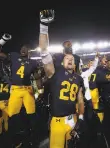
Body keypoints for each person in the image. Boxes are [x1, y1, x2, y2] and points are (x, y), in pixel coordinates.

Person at [39, 9, 85, 148]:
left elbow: (80, 99)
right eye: (67, 58)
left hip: (73, 119)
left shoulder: (78, 78)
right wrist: (43, 26)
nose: (70, 60)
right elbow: (43, 51)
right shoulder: (54, 72)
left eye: (72, 59)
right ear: (62, 61)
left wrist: (81, 119)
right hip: (58, 121)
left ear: (75, 63)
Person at [0, 30, 43, 147]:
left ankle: (33, 139)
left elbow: (38, 77)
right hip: (15, 89)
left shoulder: (33, 63)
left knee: (32, 116)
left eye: (25, 48)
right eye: (21, 48)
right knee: (12, 117)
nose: (23, 50)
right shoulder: (14, 56)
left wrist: (40, 91)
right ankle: (13, 139)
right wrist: (2, 40)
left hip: (28, 89)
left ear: (30, 51)